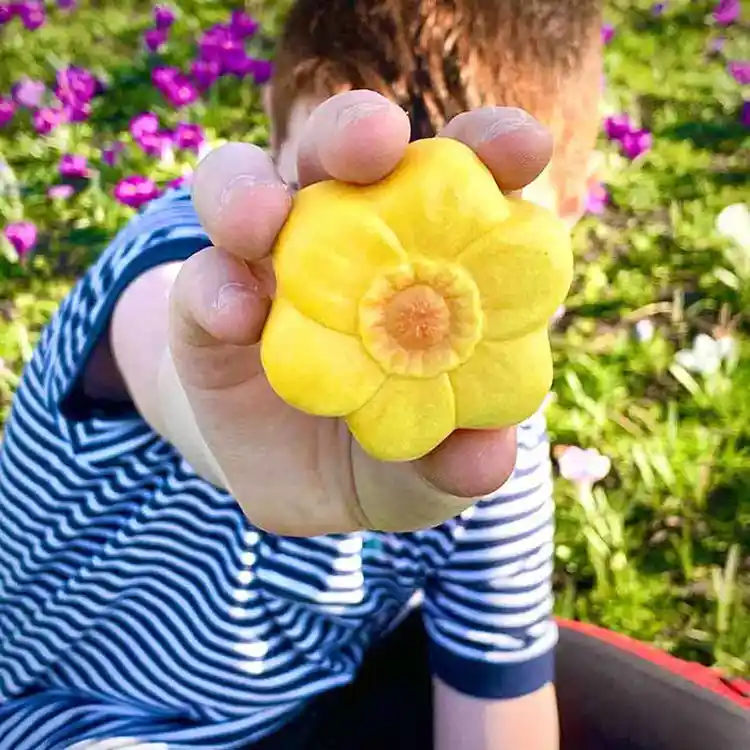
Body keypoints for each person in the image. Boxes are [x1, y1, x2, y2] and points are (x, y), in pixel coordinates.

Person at [0, 1, 604, 748]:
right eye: (331, 207)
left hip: (304, 715)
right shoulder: (187, 261)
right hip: (67, 715)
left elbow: (495, 690)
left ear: (570, 206)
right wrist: (235, 419)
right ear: (275, 131)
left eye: (476, 215)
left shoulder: (492, 414)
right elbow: (174, 362)